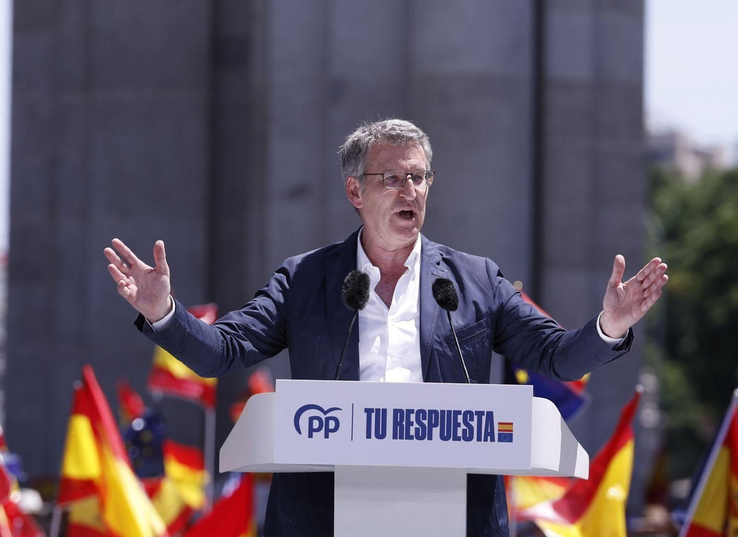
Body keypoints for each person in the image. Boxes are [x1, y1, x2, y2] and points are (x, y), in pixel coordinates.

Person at [105, 118, 668, 537]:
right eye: (393, 178)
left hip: (456, 514)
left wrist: (607, 326)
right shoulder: (305, 280)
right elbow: (221, 353)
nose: (411, 191)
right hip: (323, 514)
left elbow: (553, 358)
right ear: (356, 191)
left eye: (420, 178)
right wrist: (164, 312)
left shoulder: (476, 280)